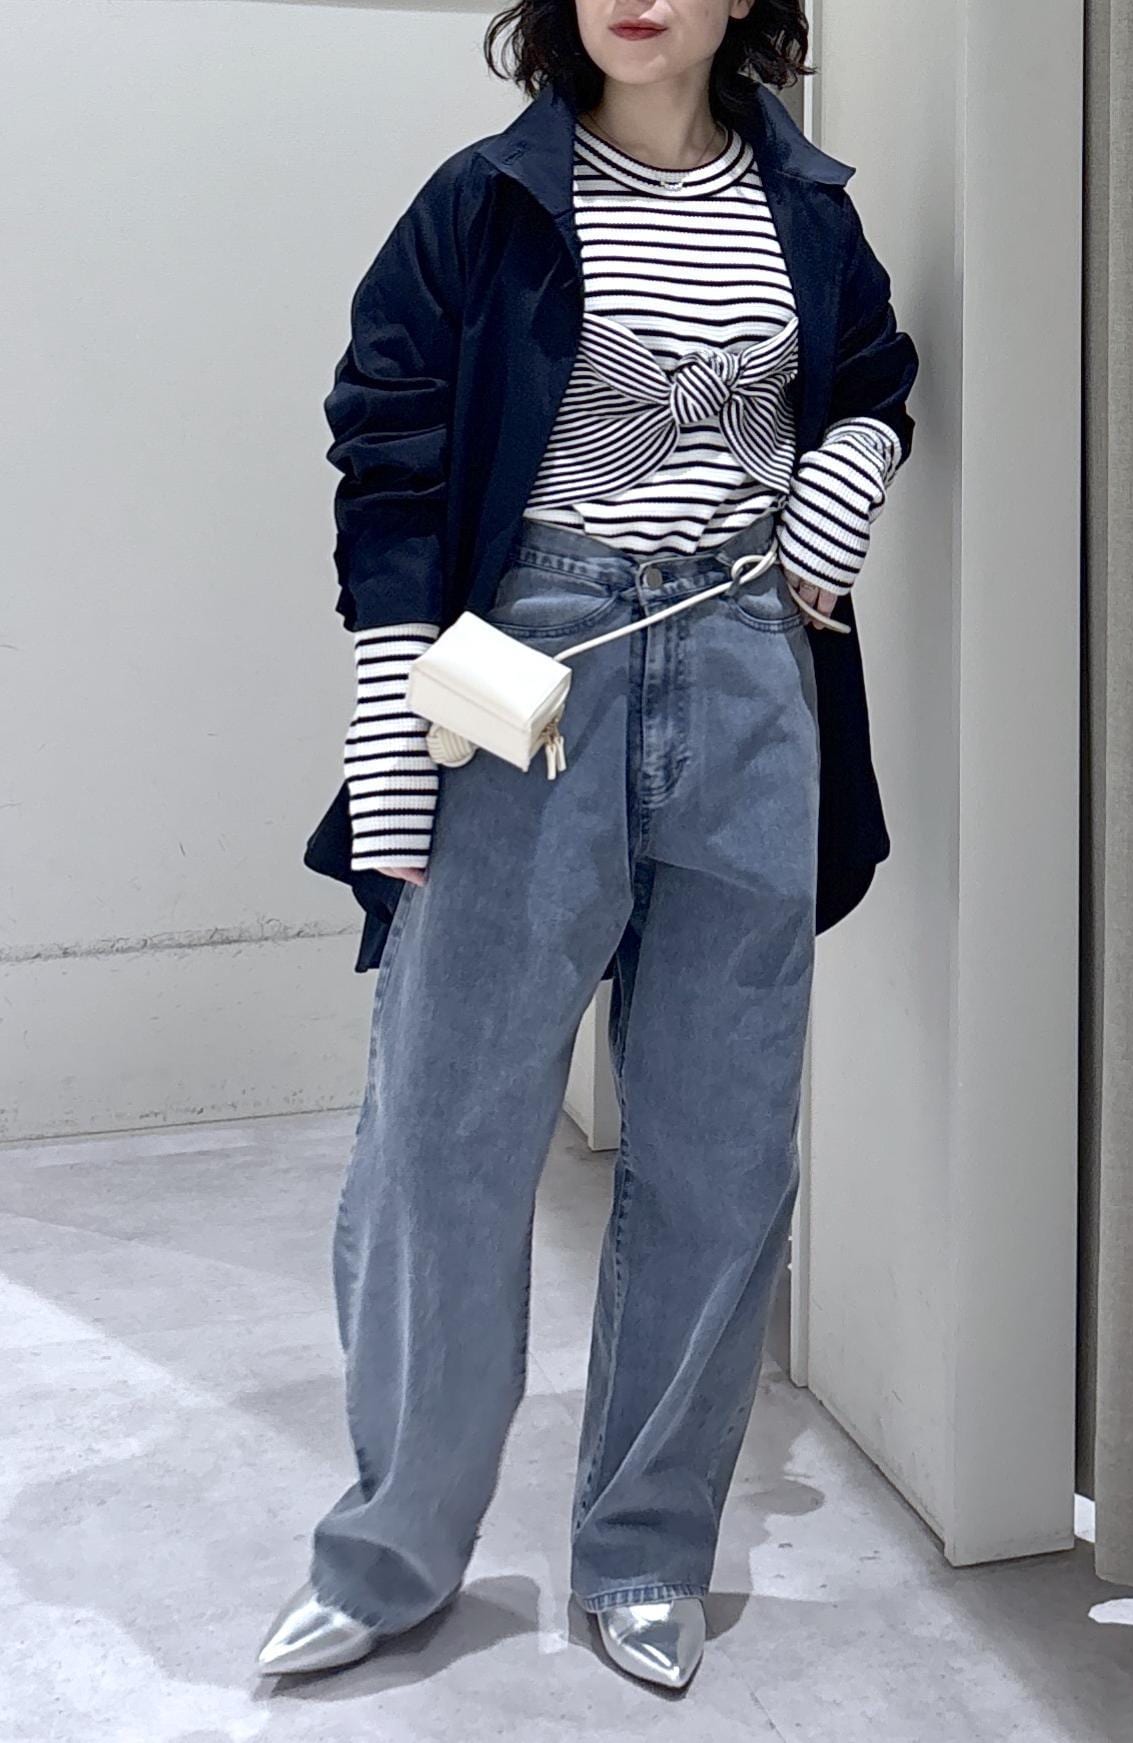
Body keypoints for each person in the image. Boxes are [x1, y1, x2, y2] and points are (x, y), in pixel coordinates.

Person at [257, 0, 918, 1693]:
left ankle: (644, 1550)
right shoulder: (484, 201)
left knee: (720, 1149)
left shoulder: (806, 206)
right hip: (532, 658)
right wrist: (389, 704)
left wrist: (852, 462)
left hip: (748, 670)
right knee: (444, 1135)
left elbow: (872, 375)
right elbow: (387, 445)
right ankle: (393, 1550)